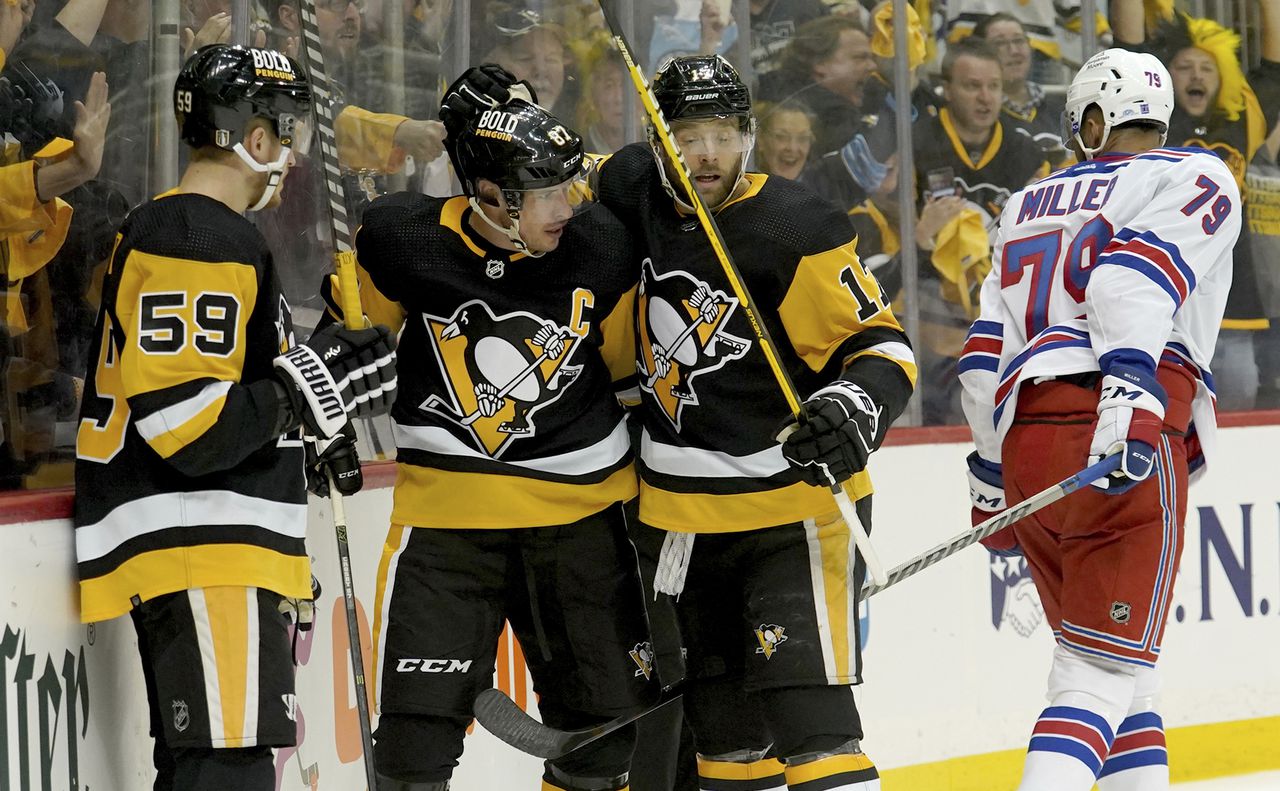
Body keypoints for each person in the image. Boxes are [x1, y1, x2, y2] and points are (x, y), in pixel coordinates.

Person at [451, 53, 916, 791]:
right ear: (656, 138)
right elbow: (541, 179)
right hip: (679, 525)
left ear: (748, 137)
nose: (707, 154)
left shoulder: (794, 227)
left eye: (724, 135)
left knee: (814, 725)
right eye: (688, 136)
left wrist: (851, 406)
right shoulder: (629, 186)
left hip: (790, 512)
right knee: (727, 743)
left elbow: (882, 347)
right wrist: (495, 124)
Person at [72, 44, 397, 791]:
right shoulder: (198, 236)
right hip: (204, 547)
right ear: (254, 138)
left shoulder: (189, 231)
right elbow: (189, 425)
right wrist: (312, 382)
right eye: (285, 135)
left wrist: (314, 393)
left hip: (206, 546)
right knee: (228, 771)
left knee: (211, 769)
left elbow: (233, 396)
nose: (291, 155)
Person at [344, 91, 656, 791]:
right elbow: (356, 341)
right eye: (545, 194)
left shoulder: (602, 243)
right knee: (412, 749)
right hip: (447, 527)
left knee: (602, 739)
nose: (565, 206)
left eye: (567, 186)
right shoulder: (403, 240)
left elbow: (624, 373)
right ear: (491, 195)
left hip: (581, 519)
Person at [959, 48, 1241, 791]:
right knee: (1095, 676)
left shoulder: (1026, 202)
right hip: (1118, 428)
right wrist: (1128, 400)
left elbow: (984, 356)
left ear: (1092, 120)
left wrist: (988, 476)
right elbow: (1127, 280)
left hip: (1028, 444)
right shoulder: (1195, 173)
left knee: (1130, 676)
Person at [1111, 0, 1280, 410]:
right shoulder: (1150, 124)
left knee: (1237, 413)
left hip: (1231, 306)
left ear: (1224, 77)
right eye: (1184, 67)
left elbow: (1275, 64)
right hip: (1163, 303)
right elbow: (1129, 46)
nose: (1197, 75)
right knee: (1166, 417)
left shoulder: (1244, 120)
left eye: (1207, 67)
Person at [913, 36, 1049, 424]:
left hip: (1002, 311)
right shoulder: (916, 142)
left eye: (994, 86)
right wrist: (919, 238)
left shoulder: (1026, 152)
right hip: (931, 312)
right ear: (947, 89)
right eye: (972, 86)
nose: (986, 98)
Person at [973, 12, 1070, 166]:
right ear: (979, 54)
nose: (1014, 51)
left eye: (1019, 41)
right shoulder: (979, 115)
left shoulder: (1061, 107)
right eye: (1000, 43)